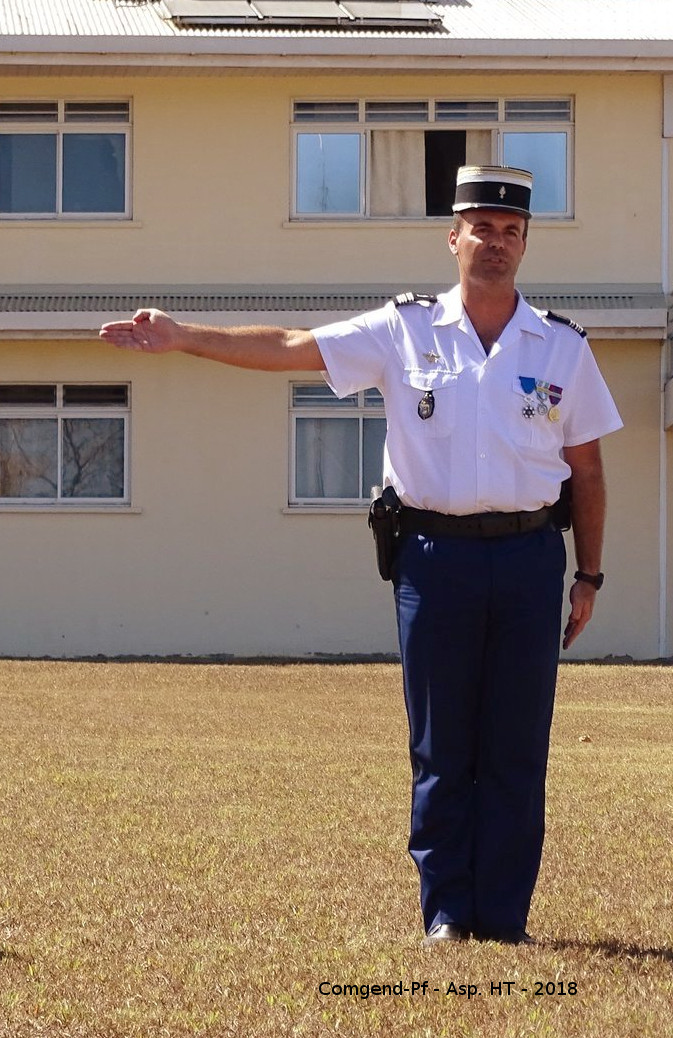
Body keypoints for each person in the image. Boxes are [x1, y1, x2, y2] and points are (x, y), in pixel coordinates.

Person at [99, 165, 621, 947]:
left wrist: (588, 574)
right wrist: (183, 337)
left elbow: (587, 469)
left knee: (516, 745)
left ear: (525, 245)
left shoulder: (561, 348)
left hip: (528, 561)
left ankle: (504, 920)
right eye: (482, 227)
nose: (496, 243)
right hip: (434, 560)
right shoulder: (403, 330)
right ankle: (447, 914)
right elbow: (288, 346)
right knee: (441, 745)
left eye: (511, 232)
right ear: (453, 238)